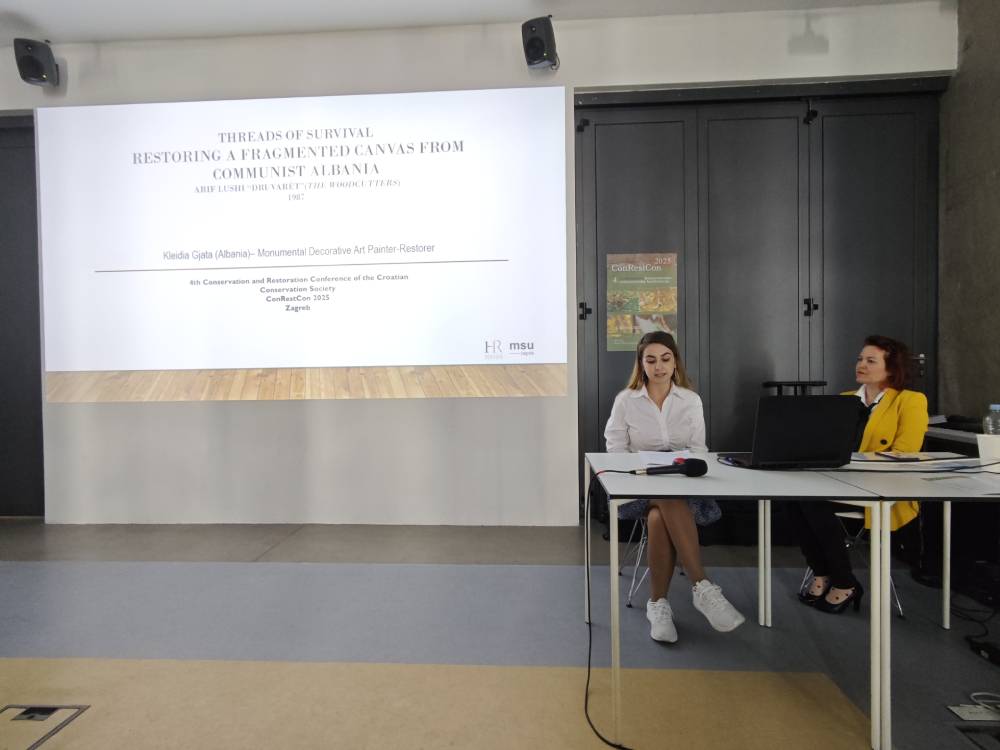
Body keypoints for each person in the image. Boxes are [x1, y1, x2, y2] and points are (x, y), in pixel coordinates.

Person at [605, 331, 745, 642]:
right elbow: (614, 449)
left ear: (675, 362)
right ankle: (702, 586)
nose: (659, 367)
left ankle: (658, 605)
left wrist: (680, 467)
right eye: (651, 360)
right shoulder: (626, 400)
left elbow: (699, 449)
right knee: (663, 499)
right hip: (639, 485)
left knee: (660, 515)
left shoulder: (690, 400)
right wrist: (640, 468)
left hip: (683, 488)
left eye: (665, 359)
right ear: (641, 364)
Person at [788, 334, 929, 614]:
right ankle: (824, 572)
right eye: (860, 359)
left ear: (891, 368)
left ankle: (842, 580)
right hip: (836, 483)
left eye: (871, 360)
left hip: (881, 487)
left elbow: (905, 453)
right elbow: (823, 446)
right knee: (792, 497)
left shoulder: (910, 401)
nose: (861, 365)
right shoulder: (844, 400)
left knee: (811, 501)